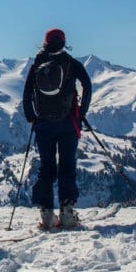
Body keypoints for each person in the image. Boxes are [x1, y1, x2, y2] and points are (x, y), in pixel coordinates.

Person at [22, 29, 92, 229]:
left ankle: (46, 215)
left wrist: (31, 118)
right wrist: (81, 114)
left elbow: (26, 93)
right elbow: (87, 85)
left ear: (44, 42)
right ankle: (67, 214)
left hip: (43, 124)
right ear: (64, 42)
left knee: (46, 168)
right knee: (67, 166)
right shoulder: (70, 63)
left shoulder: (37, 64)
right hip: (68, 122)